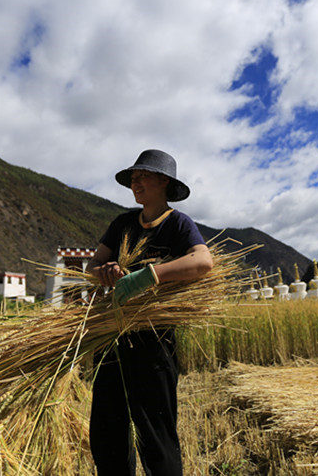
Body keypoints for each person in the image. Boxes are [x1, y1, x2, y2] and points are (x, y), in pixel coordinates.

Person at [86, 149, 213, 476]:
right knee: (107, 431)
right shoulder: (122, 224)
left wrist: (151, 275)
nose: (135, 182)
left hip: (154, 341)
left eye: (143, 176)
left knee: (156, 434)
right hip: (111, 337)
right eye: (133, 177)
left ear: (164, 181)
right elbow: (93, 264)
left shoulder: (178, 224)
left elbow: (203, 261)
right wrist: (105, 272)